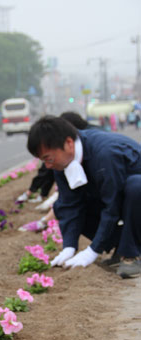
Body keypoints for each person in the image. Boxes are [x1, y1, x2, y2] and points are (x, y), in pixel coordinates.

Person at [27, 115, 141, 278]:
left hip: (133, 201)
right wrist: (69, 247)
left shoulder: (105, 154)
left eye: (49, 158)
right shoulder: (63, 164)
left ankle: (131, 254)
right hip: (122, 204)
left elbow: (112, 205)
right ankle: (121, 248)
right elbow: (69, 204)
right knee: (62, 207)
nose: (48, 165)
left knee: (136, 186)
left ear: (68, 143)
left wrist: (92, 251)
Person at [18, 112, 90, 232]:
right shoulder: (63, 156)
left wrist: (45, 220)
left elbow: (71, 199)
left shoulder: (90, 150)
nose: (48, 165)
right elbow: (48, 174)